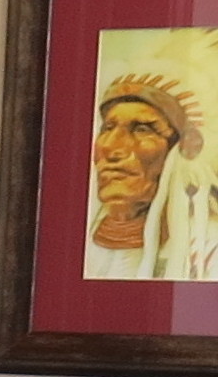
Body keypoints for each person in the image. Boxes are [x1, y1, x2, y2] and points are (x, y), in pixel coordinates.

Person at [83, 64, 215, 279]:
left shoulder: (207, 246)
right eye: (107, 128)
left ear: (177, 150)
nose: (112, 148)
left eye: (142, 129)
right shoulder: (69, 242)